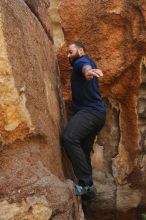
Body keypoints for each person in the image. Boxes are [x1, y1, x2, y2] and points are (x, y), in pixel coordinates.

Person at [61, 41, 106, 200]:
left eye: (70, 51)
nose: (68, 55)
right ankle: (88, 195)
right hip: (97, 114)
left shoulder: (83, 61)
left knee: (68, 137)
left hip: (90, 112)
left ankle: (86, 184)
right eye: (67, 53)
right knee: (83, 151)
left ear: (81, 51)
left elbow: (84, 66)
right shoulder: (87, 62)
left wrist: (87, 72)